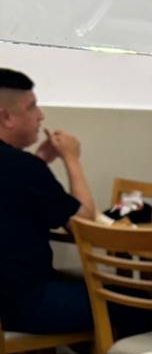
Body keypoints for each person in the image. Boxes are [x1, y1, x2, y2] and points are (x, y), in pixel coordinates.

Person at [0, 68, 97, 334]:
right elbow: (84, 225)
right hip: (22, 302)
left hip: (9, 298)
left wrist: (40, 161)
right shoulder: (23, 167)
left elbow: (13, 193)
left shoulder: (23, 168)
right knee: (139, 306)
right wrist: (72, 158)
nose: (41, 116)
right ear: (7, 117)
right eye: (32, 107)